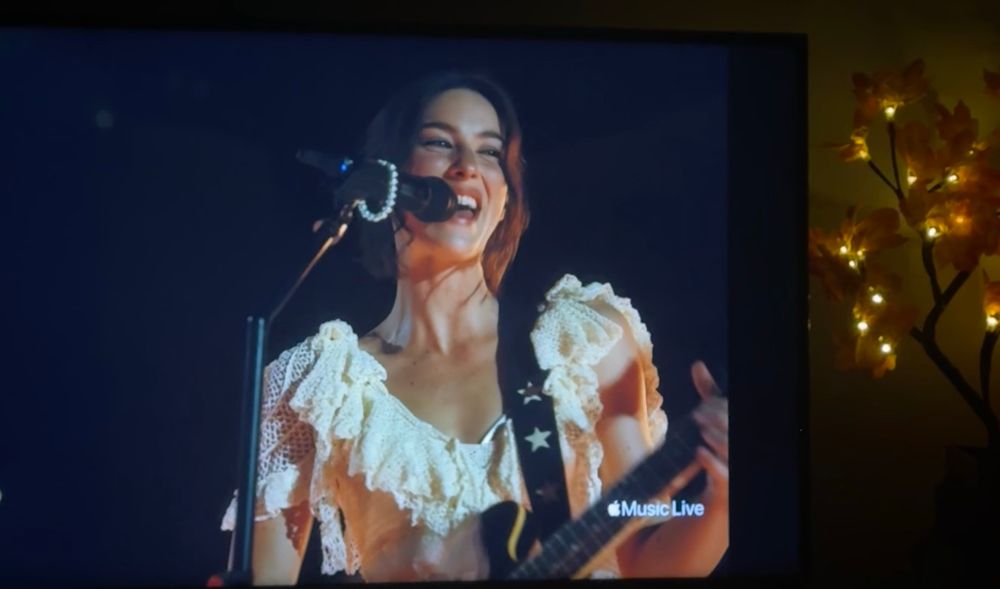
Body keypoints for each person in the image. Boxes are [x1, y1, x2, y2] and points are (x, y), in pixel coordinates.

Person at [220, 70, 729, 583]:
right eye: (440, 143)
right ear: (386, 177)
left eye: (490, 152)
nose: (466, 168)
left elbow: (649, 559)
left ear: (505, 196)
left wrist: (722, 499)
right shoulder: (322, 384)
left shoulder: (581, 341)